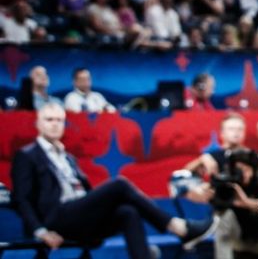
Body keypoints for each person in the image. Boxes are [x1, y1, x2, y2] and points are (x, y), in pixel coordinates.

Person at [12, 103, 217, 259]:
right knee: (119, 184)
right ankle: (178, 227)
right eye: (49, 120)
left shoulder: (68, 157)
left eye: (59, 120)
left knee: (127, 212)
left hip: (80, 216)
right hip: (56, 218)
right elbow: (22, 199)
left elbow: (83, 190)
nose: (55, 124)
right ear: (38, 123)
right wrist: (40, 231)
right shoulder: (28, 155)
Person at [183, 114, 258, 259]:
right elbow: (183, 174)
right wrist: (202, 159)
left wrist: (246, 202)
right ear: (222, 133)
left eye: (240, 129)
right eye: (231, 128)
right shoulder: (215, 157)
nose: (236, 132)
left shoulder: (252, 158)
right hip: (230, 221)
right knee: (223, 218)